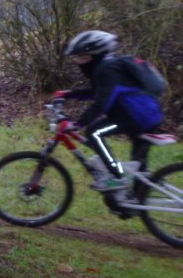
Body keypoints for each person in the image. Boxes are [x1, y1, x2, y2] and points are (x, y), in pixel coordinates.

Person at [54, 30, 164, 192]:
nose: (78, 62)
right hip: (146, 114)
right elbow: (99, 92)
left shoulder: (107, 70)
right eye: (76, 58)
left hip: (137, 117)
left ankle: (117, 176)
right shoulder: (108, 66)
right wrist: (68, 94)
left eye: (81, 57)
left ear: (94, 55)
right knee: (139, 166)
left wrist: (78, 123)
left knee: (94, 133)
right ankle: (134, 202)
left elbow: (102, 102)